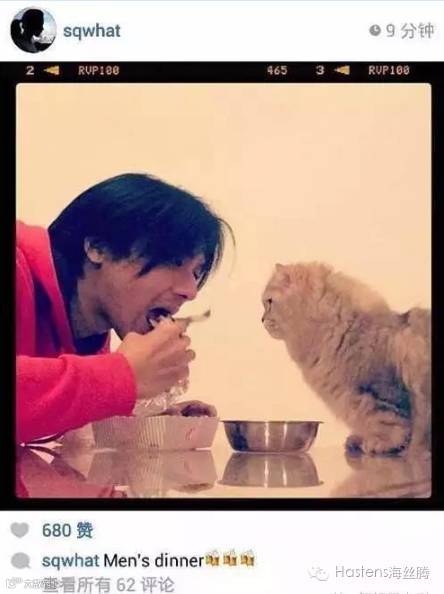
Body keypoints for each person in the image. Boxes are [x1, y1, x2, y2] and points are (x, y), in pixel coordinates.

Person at [16, 173, 232, 443]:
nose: (190, 291)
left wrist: (140, 415)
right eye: (172, 260)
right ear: (98, 247)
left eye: (196, 273)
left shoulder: (91, 335)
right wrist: (119, 377)